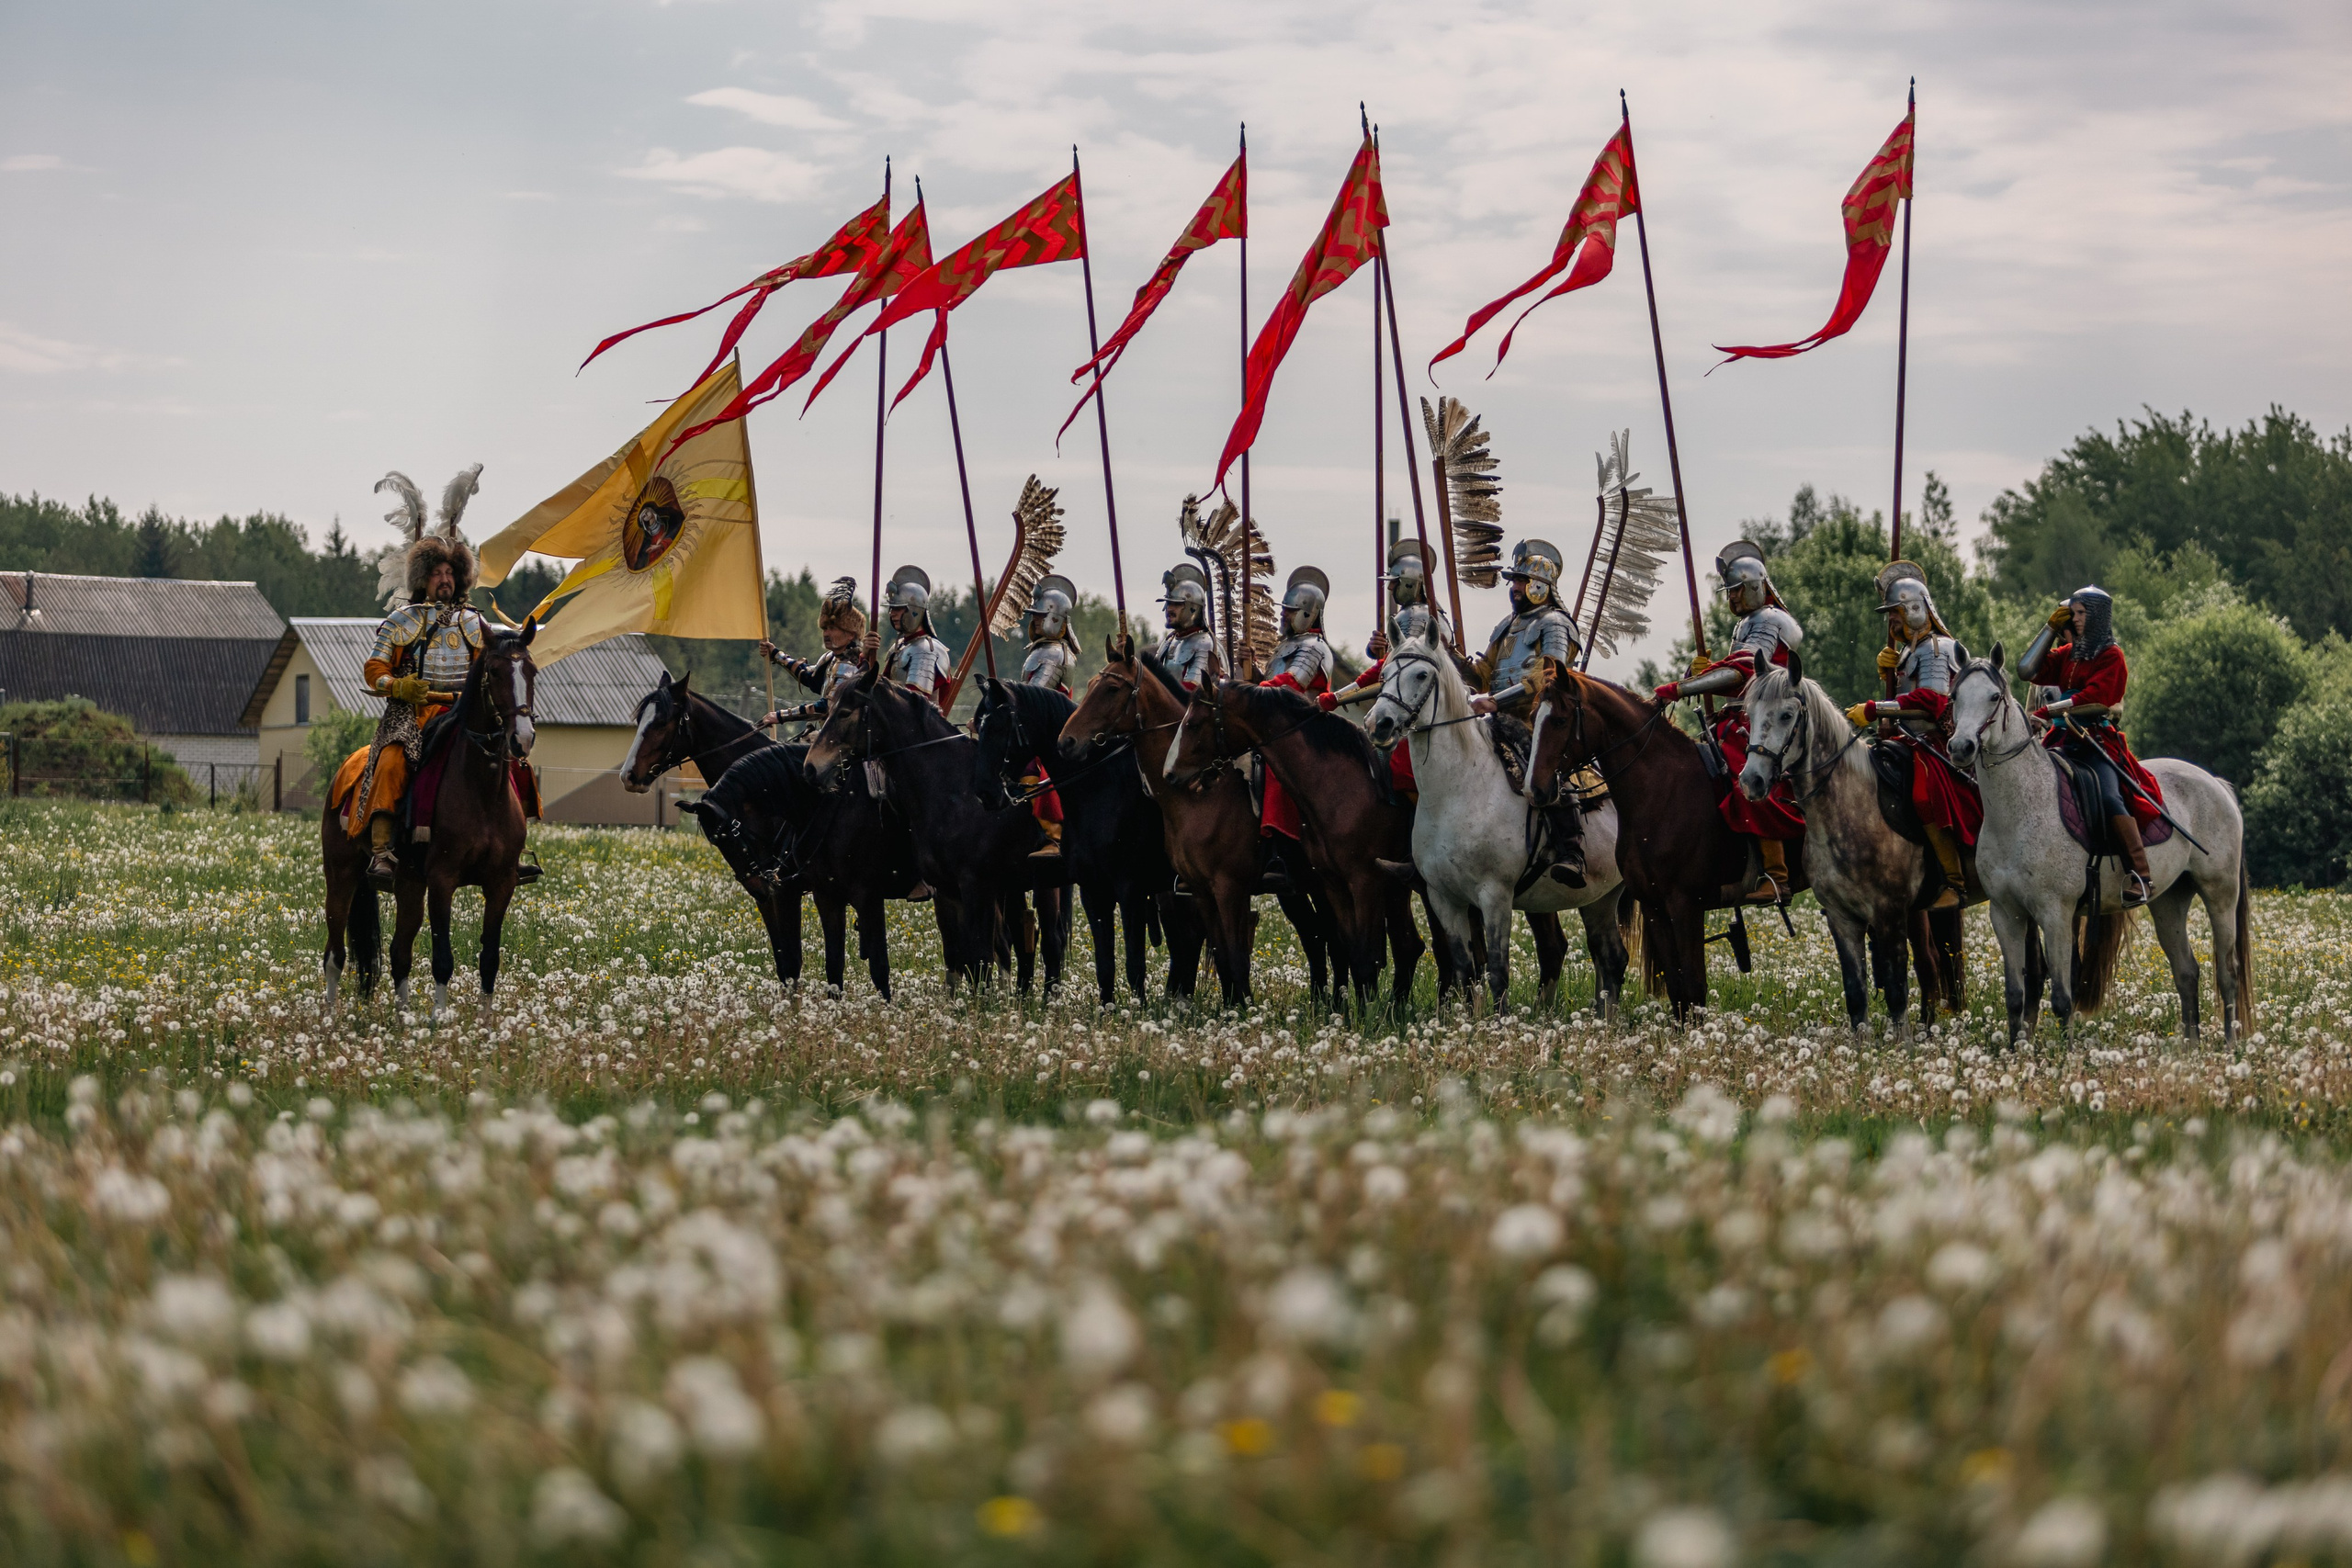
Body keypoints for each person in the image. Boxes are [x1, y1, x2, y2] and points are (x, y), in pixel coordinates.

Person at [334, 467, 536, 891]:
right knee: (389, 762)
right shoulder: (401, 620)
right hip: (412, 713)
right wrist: (400, 686)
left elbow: (496, 667)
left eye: (450, 573)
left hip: (463, 712)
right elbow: (374, 671)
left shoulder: (476, 623)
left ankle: (513, 850)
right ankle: (385, 848)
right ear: (422, 578)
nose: (444, 579)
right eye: (436, 573)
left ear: (459, 576)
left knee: (512, 761)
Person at [1651, 540, 1804, 903]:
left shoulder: (1772, 621)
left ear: (1755, 586)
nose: (1731, 599)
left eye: (1736, 590)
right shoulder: (1747, 625)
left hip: (1765, 722)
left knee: (1748, 773)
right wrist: (1698, 670)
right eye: (1729, 592)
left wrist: (1683, 686)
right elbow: (1729, 668)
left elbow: (1746, 671)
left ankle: (1777, 876)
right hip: (1736, 719)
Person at [1844, 563, 1981, 908]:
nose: (1891, 621)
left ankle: (1955, 880)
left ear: (1917, 609)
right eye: (1889, 615)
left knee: (1923, 795)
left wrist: (1876, 708)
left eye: (1897, 613)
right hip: (1904, 741)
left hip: (1933, 743)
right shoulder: (1908, 652)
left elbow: (1929, 702)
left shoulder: (1937, 648)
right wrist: (1888, 674)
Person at [2017, 583, 2162, 906]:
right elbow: (2028, 670)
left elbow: (2095, 698)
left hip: (2095, 740)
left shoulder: (2112, 656)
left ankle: (2141, 875)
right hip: (2061, 739)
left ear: (2097, 616)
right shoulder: (2069, 654)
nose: (2076, 618)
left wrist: (2044, 712)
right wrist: (2050, 628)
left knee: (2110, 798)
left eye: (2081, 613)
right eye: (2073, 613)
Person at [1466, 538, 1588, 887]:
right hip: (1498, 716)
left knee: (1545, 766)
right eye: (1513, 581)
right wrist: (1453, 658)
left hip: (1541, 718)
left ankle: (1571, 850)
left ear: (1539, 585)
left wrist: (1497, 702)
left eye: (1520, 581)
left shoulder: (1555, 624)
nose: (1514, 588)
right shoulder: (1507, 625)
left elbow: (1548, 675)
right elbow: (1483, 674)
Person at [1321, 539, 1453, 800]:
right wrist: (1375, 650)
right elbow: (1388, 667)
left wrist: (1339, 697)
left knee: (1401, 768)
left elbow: (1398, 669)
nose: (1391, 587)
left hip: (1422, 710)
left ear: (1410, 583)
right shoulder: (1409, 615)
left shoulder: (1419, 617)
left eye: (1394, 582)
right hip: (1409, 702)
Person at [1256, 567, 1335, 847]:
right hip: (1276, 723)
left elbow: (1291, 684)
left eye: (1289, 611)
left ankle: (1281, 834)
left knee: (1279, 766)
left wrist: (1253, 691)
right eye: (1284, 610)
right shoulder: (1285, 646)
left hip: (1304, 727)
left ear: (1307, 613)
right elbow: (1269, 681)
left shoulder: (1313, 647)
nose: (1283, 615)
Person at [1017, 574, 1080, 859]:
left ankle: (1053, 836)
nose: (1036, 621)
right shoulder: (1040, 651)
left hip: (1049, 733)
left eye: (1042, 616)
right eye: (1035, 616)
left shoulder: (1055, 654)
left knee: (1032, 771)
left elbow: (1034, 696)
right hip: (1033, 727)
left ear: (1057, 618)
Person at [757, 576, 867, 729]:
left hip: (842, 741)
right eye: (824, 628)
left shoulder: (849, 665)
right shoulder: (831, 658)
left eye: (832, 628)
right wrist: (776, 654)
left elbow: (827, 706)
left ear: (850, 634)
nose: (826, 634)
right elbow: (808, 676)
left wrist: (780, 716)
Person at [863, 564, 953, 716]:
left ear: (915, 610)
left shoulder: (926, 650)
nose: (892, 614)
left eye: (898, 608)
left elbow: (913, 704)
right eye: (891, 608)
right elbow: (875, 689)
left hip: (918, 733)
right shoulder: (898, 648)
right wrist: (864, 657)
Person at [1156, 563, 1219, 692]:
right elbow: (1151, 677)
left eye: (1176, 604)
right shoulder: (1169, 641)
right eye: (1168, 603)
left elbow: (1192, 688)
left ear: (1193, 608)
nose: (1169, 609)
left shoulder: (1203, 642)